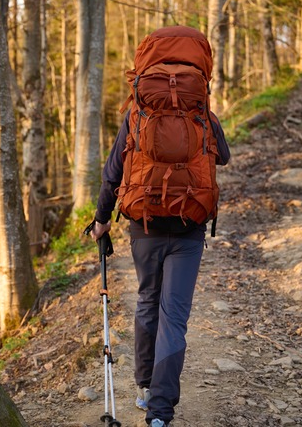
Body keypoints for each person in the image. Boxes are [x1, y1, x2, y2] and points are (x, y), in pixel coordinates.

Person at [90, 26, 229, 427]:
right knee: (175, 317)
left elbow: (113, 172)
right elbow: (224, 157)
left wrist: (101, 220)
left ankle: (144, 387)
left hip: (145, 225)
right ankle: (161, 413)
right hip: (189, 227)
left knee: (148, 301)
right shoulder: (201, 111)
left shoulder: (137, 112)